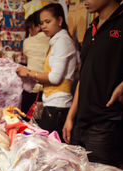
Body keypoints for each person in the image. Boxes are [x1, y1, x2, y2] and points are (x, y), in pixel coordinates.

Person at [63, 0, 123, 166]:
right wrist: (70, 116)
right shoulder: (90, 29)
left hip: (107, 122)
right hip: (81, 122)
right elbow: (84, 75)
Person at [16, 3, 77, 140]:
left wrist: (29, 73)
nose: (44, 26)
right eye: (42, 23)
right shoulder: (56, 41)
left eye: (48, 22)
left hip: (58, 106)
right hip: (53, 103)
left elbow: (55, 77)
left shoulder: (62, 42)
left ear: (60, 20)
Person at [20, 11, 50, 113]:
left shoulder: (28, 42)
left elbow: (27, 58)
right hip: (49, 90)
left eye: (30, 27)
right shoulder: (54, 40)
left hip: (32, 89)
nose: (29, 31)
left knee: (26, 122)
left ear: (38, 27)